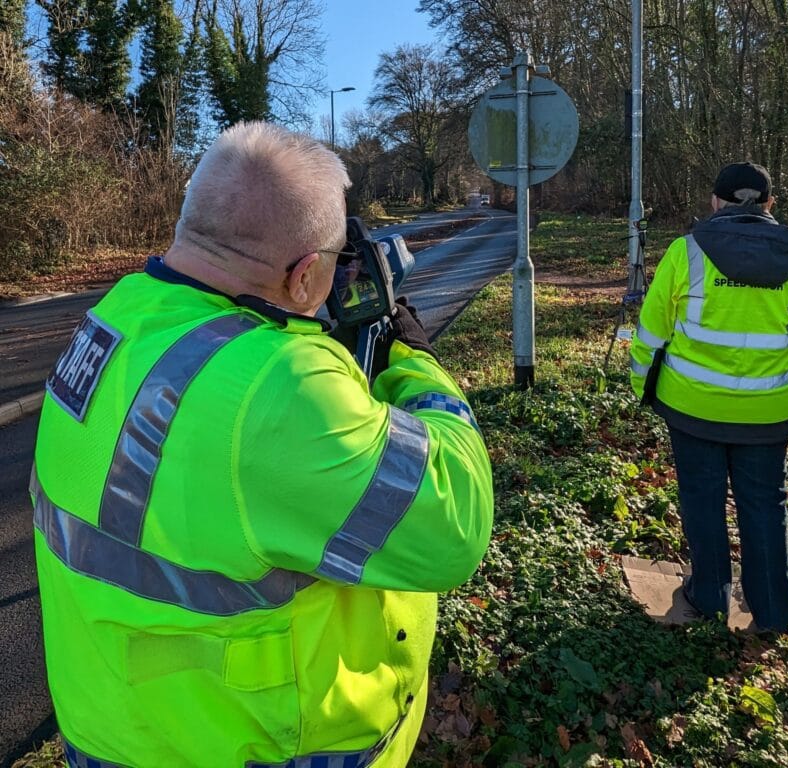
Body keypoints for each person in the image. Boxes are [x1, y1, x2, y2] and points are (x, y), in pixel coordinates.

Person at [32, 121, 494, 767]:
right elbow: (454, 529)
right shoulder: (282, 384)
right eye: (332, 272)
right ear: (306, 275)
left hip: (112, 727)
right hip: (254, 742)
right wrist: (416, 365)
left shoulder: (120, 316)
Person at [630, 162, 788, 632]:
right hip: (768, 415)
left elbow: (651, 334)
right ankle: (774, 611)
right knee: (764, 507)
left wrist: (643, 389)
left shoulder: (686, 254)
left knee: (702, 502)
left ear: (715, 202)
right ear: (769, 204)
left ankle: (708, 597)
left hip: (692, 408)